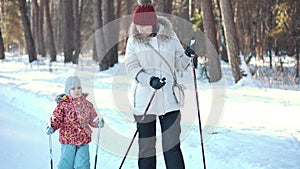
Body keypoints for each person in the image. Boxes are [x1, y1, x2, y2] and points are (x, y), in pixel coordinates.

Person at [124, 0, 195, 168]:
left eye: (145, 25)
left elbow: (180, 64)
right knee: (147, 148)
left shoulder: (170, 37)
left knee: (172, 147)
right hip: (145, 101)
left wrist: (187, 55)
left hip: (169, 99)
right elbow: (131, 67)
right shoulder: (133, 41)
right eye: (138, 25)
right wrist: (149, 80)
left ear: (154, 23)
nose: (140, 29)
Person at [46, 76, 104, 169]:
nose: (77, 90)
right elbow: (57, 118)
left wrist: (98, 122)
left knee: (82, 164)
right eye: (73, 88)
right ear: (68, 91)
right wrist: (52, 126)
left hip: (83, 139)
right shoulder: (63, 105)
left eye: (79, 88)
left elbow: (92, 118)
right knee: (66, 164)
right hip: (68, 140)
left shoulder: (87, 104)